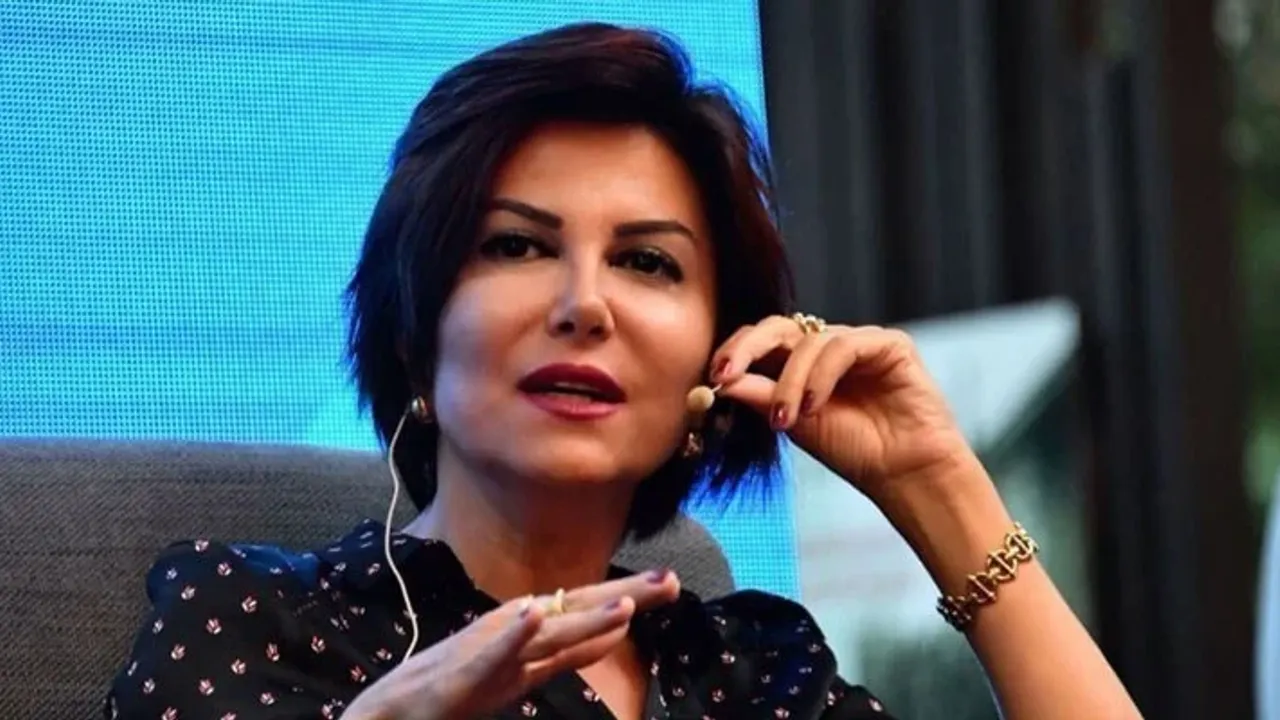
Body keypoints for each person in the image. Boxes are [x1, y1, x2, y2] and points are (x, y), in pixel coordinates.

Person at [104, 22, 1141, 720]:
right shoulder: (253, 623)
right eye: (516, 245)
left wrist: (938, 488)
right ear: (415, 332)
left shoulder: (758, 673)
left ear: (717, 358)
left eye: (647, 263)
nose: (584, 303)